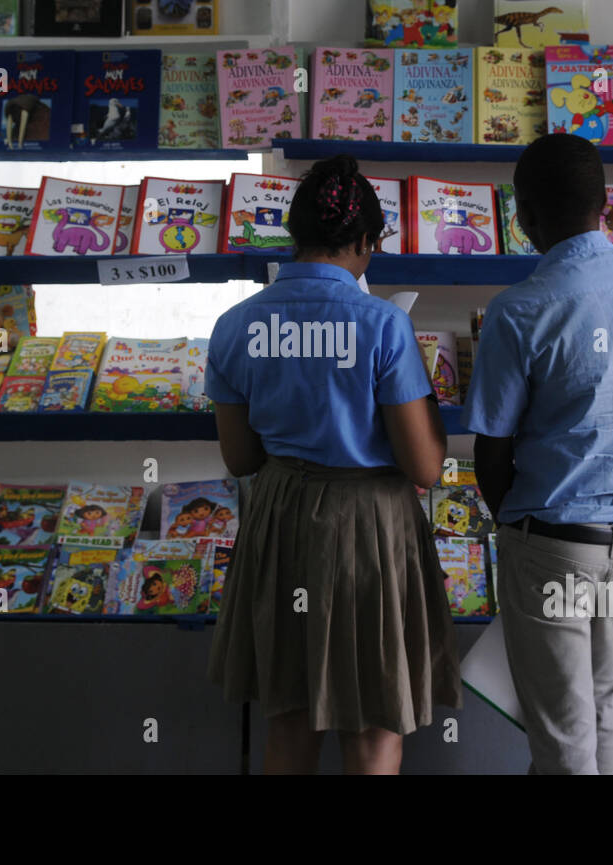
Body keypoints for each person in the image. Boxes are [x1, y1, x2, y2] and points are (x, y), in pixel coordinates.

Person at [206, 154, 462, 775]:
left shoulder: (236, 325)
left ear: (294, 236)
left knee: (290, 718)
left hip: (280, 521)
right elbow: (425, 465)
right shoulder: (383, 326)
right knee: (374, 724)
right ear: (367, 242)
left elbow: (240, 458)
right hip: (368, 528)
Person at [463, 133, 613, 775]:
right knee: (601, 708)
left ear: (525, 216)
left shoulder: (518, 312)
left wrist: (516, 530)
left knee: (563, 740)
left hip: (555, 542)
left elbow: (492, 452)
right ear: (603, 207)